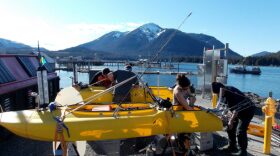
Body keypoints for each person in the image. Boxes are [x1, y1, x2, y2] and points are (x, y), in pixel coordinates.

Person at [212, 82, 255, 156]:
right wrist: (225, 117)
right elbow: (227, 107)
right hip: (238, 111)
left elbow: (236, 110)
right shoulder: (224, 92)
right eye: (218, 94)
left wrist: (231, 121)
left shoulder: (232, 93)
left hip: (247, 111)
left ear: (223, 88)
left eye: (219, 93)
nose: (219, 95)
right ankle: (232, 146)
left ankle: (243, 152)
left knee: (240, 131)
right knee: (230, 128)